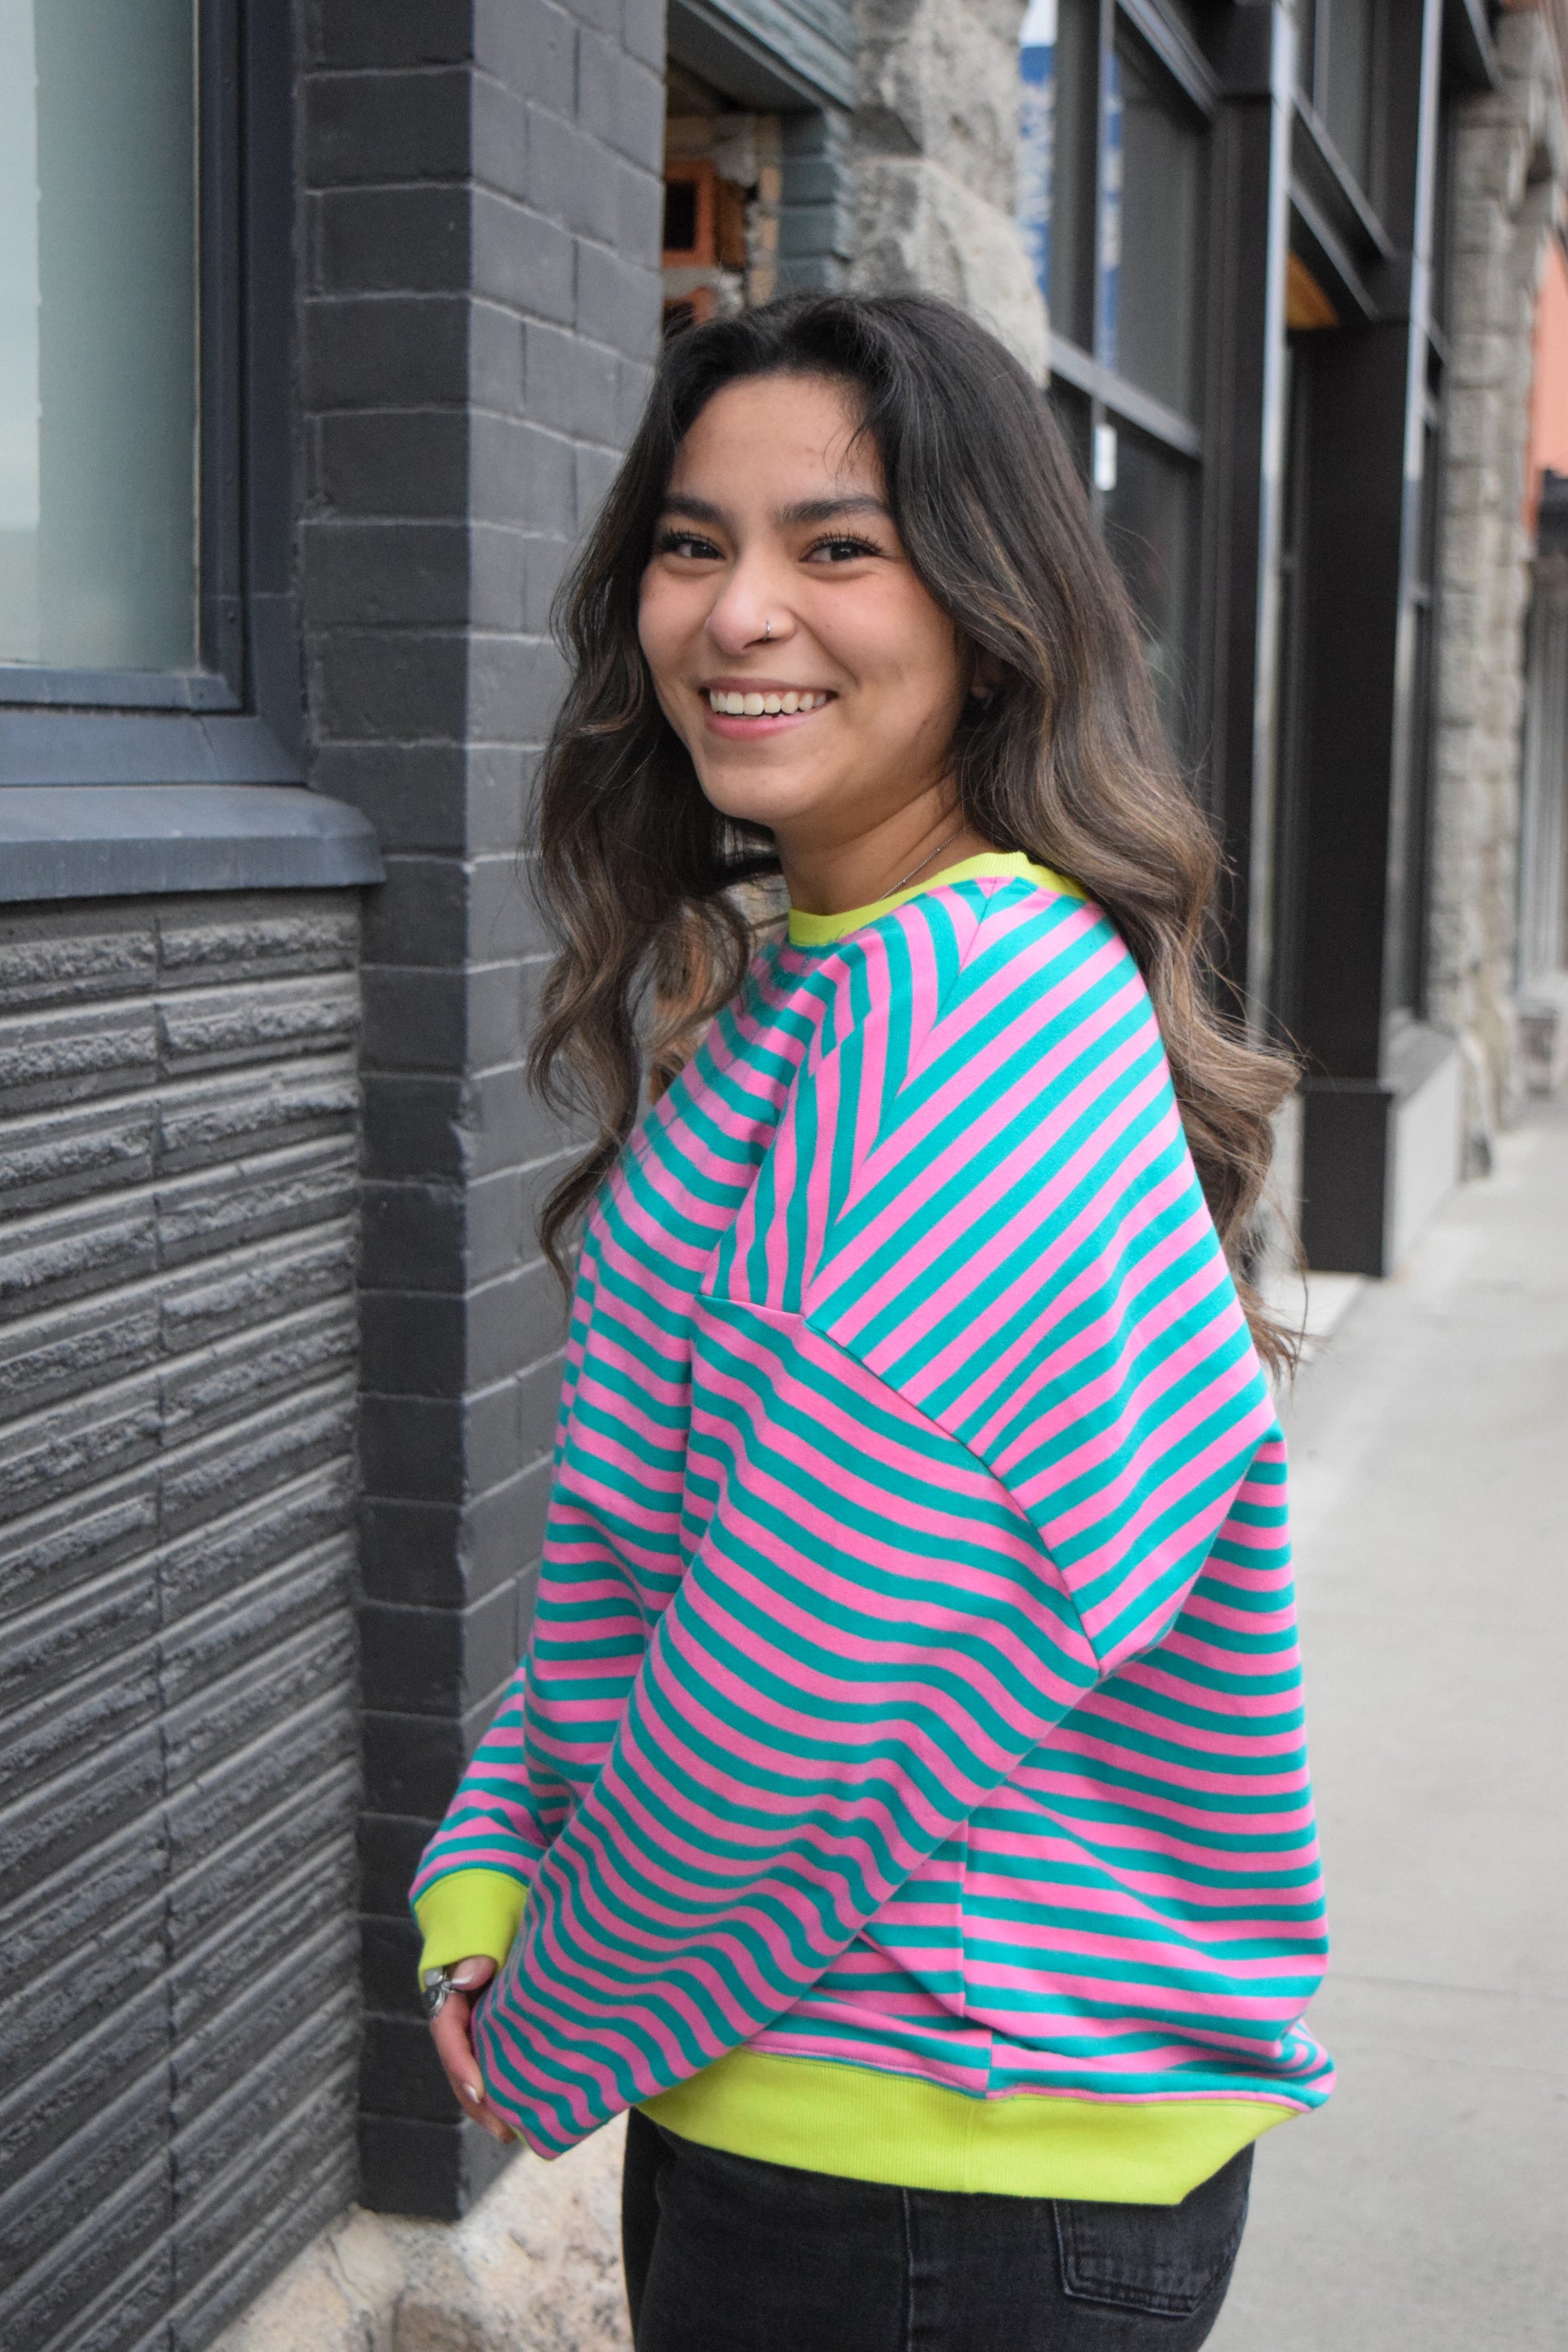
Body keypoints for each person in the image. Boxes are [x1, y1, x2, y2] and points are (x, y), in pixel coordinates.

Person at [409, 293, 1331, 2352]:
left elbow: (807, 1677)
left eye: (837, 545)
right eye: (690, 542)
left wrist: (549, 2005)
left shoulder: (965, 1031)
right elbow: (662, 1552)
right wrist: (496, 1853)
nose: (738, 611)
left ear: (991, 615)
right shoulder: (826, 985)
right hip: (831, 2100)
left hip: (938, 2155)